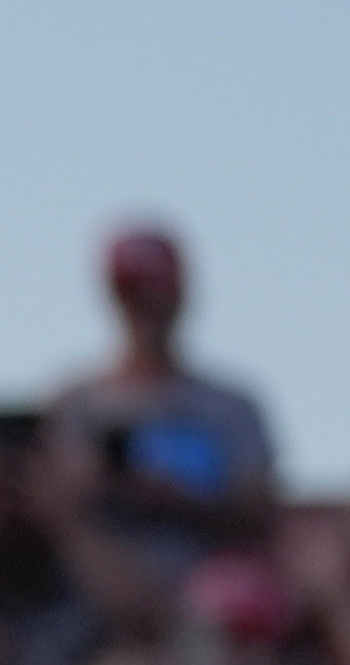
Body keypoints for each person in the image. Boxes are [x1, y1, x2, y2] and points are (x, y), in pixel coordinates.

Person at [47, 227, 278, 597]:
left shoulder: (231, 407)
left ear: (181, 295)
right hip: (93, 604)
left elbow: (261, 515)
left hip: (207, 601)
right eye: (133, 295)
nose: (146, 308)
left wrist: (179, 501)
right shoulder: (72, 405)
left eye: (158, 291)